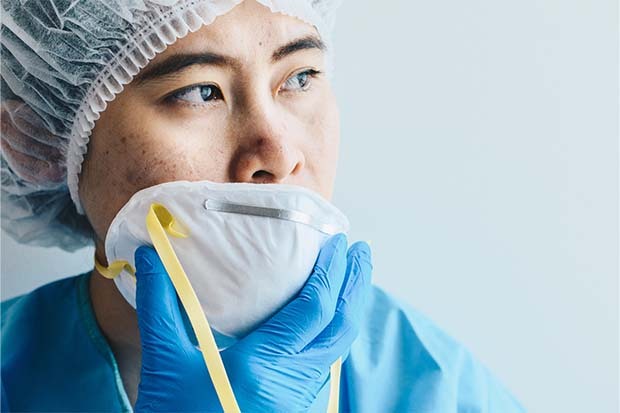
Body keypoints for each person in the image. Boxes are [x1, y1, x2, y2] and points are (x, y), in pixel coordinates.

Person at [0, 0, 526, 411]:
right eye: (200, 92)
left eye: (299, 78)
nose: (278, 154)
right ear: (40, 140)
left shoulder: (433, 386)